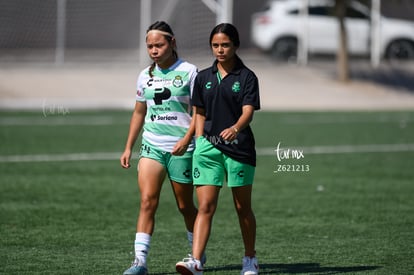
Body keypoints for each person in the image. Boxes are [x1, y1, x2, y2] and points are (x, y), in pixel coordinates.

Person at [176, 23, 260, 275]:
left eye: (225, 45)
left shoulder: (247, 77)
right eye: (215, 45)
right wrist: (200, 140)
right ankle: (196, 261)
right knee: (205, 207)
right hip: (207, 149)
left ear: (235, 45)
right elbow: (198, 112)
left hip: (239, 149)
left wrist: (235, 128)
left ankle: (250, 259)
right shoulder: (203, 77)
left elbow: (248, 112)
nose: (220, 50)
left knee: (242, 207)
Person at [120, 21, 200, 275]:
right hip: (152, 145)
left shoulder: (189, 71)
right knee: (147, 201)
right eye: (150, 46)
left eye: (159, 45)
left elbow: (199, 113)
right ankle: (139, 262)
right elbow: (139, 112)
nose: (154, 50)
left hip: (182, 149)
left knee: (185, 206)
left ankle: (196, 251)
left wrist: (187, 139)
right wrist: (128, 146)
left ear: (172, 43)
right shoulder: (145, 75)